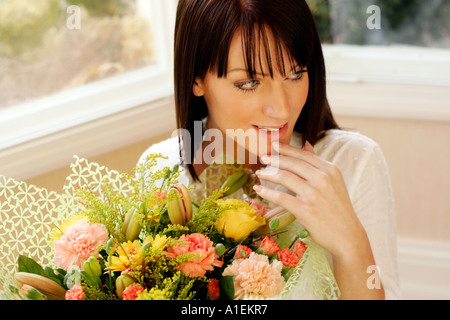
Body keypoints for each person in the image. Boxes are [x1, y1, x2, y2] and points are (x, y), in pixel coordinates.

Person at [138, 0, 401, 300]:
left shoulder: (352, 162)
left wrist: (352, 245)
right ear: (196, 78)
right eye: (249, 82)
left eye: (295, 74)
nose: (282, 109)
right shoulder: (161, 170)